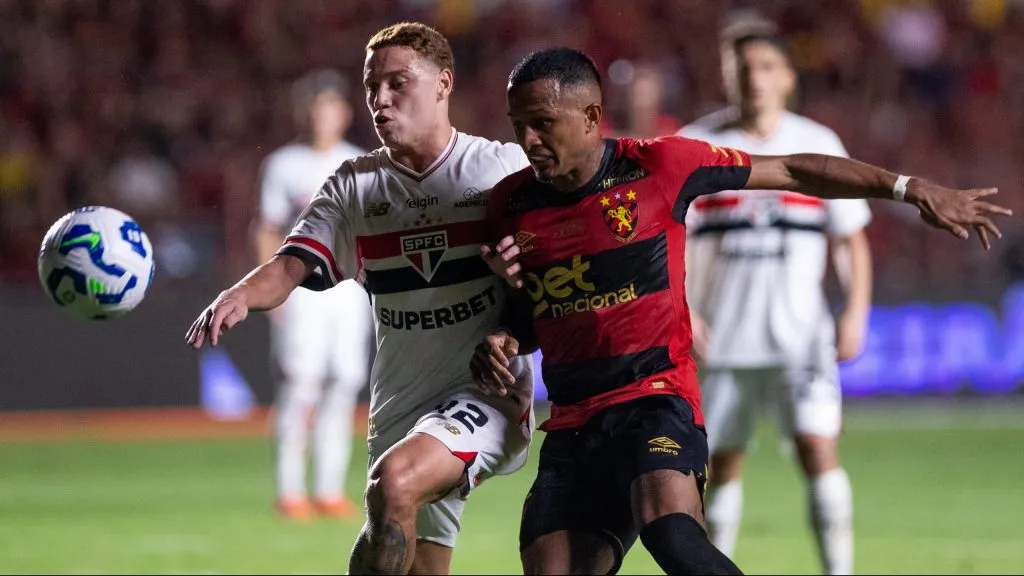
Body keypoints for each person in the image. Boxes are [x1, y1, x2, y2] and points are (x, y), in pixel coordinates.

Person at [471, 47, 1010, 576]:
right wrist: (505, 337)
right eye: (519, 125)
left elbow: (796, 172)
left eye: (542, 123)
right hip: (572, 420)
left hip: (655, 399)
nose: (528, 141)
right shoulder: (510, 205)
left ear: (591, 116)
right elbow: (527, 313)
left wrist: (907, 188)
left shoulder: (658, 165)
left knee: (671, 531)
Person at [186, 22, 534, 575]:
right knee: (415, 557)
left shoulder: (502, 171)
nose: (381, 99)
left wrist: (520, 316)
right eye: (372, 87)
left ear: (444, 84)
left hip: (484, 392)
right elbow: (293, 261)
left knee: (394, 483)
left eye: (399, 83)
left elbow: (559, 264)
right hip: (399, 401)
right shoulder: (354, 187)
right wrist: (243, 293)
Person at [678, 18, 872, 573]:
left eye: (765, 67)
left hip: (800, 336)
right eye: (741, 69)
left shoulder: (817, 144)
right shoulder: (699, 145)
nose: (753, 79)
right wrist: (685, 315)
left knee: (818, 449)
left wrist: (855, 310)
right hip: (722, 336)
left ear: (788, 77)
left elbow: (851, 237)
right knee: (722, 464)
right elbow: (671, 245)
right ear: (725, 77)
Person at [255, 69, 374, 521]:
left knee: (343, 384)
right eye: (313, 105)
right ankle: (289, 490)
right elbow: (267, 227)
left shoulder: (360, 163)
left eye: (328, 105)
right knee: (299, 385)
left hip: (347, 291)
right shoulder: (284, 165)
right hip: (301, 289)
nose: (322, 114)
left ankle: (328, 489)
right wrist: (274, 289)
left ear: (343, 113)